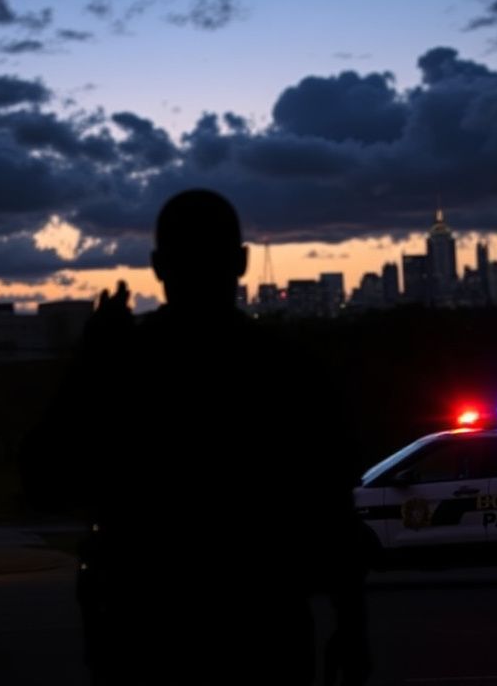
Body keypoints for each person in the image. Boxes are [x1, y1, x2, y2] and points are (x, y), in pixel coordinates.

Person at [22, 189, 370, 685]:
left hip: (145, 639)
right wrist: (352, 627)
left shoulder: (124, 372)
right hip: (265, 635)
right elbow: (335, 511)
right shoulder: (289, 370)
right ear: (242, 263)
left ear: (159, 267)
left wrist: (92, 361)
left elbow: (43, 482)